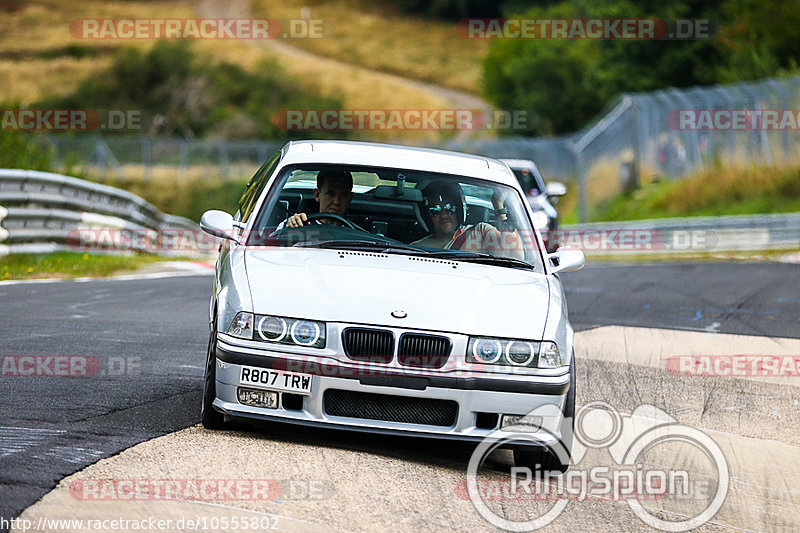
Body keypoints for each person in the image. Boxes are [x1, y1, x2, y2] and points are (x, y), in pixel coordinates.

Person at [411, 181, 524, 259]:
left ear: (460, 210)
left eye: (449, 208)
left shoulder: (480, 232)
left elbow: (514, 255)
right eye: (435, 210)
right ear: (426, 216)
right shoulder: (415, 249)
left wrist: (498, 206)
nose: (444, 215)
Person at [284, 169, 354, 228]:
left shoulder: (359, 230)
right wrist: (291, 227)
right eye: (330, 194)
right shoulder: (300, 224)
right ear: (317, 195)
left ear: (350, 198)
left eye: (343, 195)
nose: (337, 202)